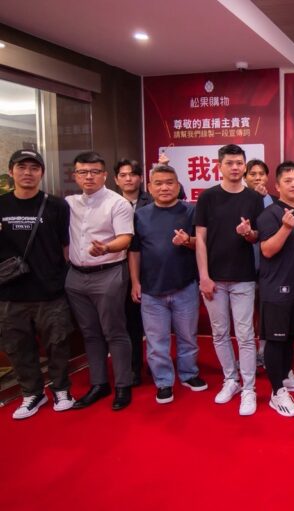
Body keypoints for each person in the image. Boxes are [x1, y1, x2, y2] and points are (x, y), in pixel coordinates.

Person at [0, 149, 74, 419]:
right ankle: (32, 393)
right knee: (18, 347)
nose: (27, 173)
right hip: (10, 293)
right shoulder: (1, 205)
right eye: (22, 167)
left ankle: (61, 389)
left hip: (49, 292)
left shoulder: (56, 205)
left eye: (34, 168)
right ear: (11, 171)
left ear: (41, 173)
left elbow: (66, 246)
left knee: (58, 344)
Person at [194, 144, 264, 416]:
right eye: (229, 163)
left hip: (244, 278)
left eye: (239, 163)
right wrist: (203, 276)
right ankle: (230, 380)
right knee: (220, 333)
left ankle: (249, 388)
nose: (235, 167)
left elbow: (257, 237)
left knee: (245, 335)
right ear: (219, 166)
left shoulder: (253, 198)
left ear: (244, 166)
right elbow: (200, 239)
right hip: (213, 279)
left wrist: (247, 233)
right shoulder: (207, 197)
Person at [128, 164, 207, 404]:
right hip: (151, 290)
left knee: (188, 337)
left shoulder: (191, 211)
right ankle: (163, 382)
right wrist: (135, 282)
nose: (164, 188)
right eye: (159, 183)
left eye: (170, 183)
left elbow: (203, 244)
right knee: (156, 342)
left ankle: (189, 374)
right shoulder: (140, 215)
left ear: (178, 185)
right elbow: (134, 251)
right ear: (150, 187)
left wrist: (187, 240)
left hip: (185, 286)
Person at [65, 151, 135, 411]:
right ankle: (99, 383)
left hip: (108, 273)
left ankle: (123, 385)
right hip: (75, 277)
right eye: (83, 172)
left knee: (114, 331)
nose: (89, 177)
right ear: (75, 175)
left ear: (105, 175)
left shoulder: (117, 203)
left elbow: (125, 238)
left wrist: (105, 248)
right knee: (90, 333)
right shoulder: (69, 203)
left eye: (95, 171)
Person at [259, 161, 294, 417]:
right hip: (275, 289)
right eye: (288, 181)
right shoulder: (270, 214)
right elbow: (267, 250)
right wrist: (285, 227)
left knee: (290, 336)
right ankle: (276, 392)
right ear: (277, 186)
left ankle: (285, 375)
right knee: (275, 340)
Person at [114, 158, 151, 386]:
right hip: (117, 270)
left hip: (148, 269)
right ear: (116, 179)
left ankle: (155, 365)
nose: (128, 179)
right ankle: (133, 367)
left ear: (140, 178)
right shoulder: (110, 203)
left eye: (133, 174)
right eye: (123, 175)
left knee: (150, 323)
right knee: (129, 323)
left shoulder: (152, 200)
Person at [244, 159, 276, 369]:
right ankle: (248, 355)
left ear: (267, 177)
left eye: (261, 174)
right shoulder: (240, 199)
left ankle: (264, 352)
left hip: (269, 267)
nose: (257, 178)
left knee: (265, 312)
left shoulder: (274, 201)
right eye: (252, 174)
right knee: (246, 315)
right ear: (245, 177)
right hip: (244, 266)